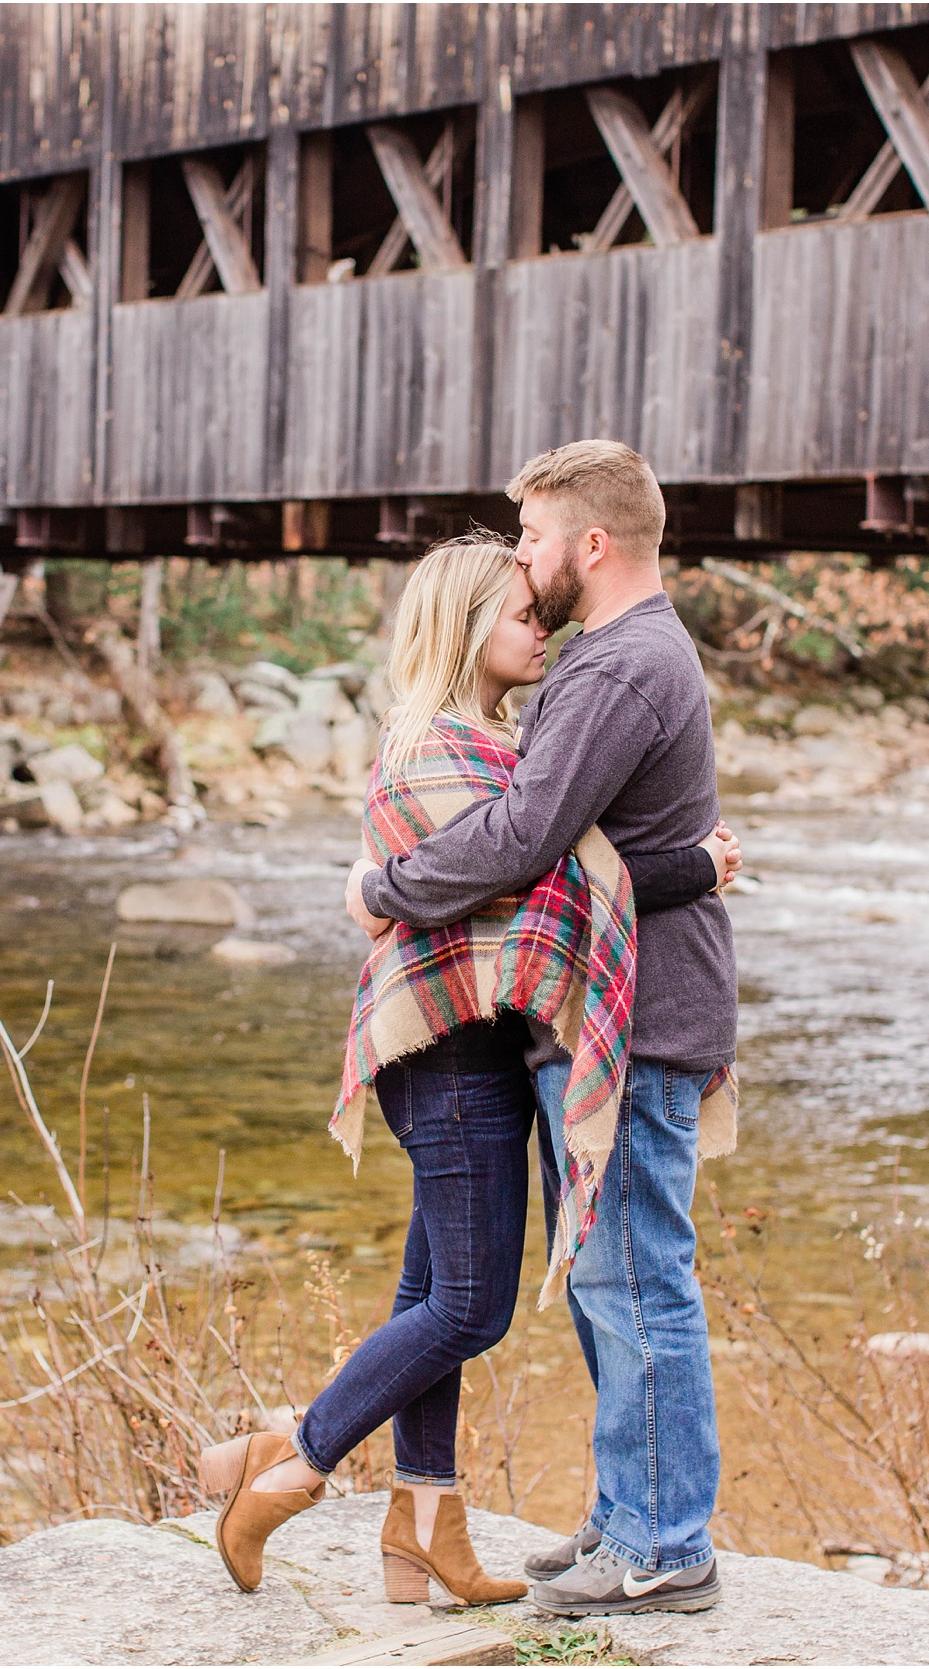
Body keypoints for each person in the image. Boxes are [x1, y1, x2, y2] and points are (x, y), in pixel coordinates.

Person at [197, 535, 739, 1605]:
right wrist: (693, 864)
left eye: (540, 614)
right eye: (522, 615)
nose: (542, 627)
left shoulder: (499, 737)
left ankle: (424, 1528)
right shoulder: (436, 744)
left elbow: (540, 859)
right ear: (462, 627)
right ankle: (292, 1464)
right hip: (446, 1059)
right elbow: (534, 884)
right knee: (472, 1309)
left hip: (482, 1050)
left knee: (427, 1290)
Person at [343, 440, 738, 1618]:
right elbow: (577, 856)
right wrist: (689, 866)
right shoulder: (615, 659)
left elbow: (524, 843)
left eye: (531, 540)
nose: (522, 560)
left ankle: (666, 1545)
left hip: (641, 1017)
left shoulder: (616, 669)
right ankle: (628, 1518)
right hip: (616, 1009)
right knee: (601, 1278)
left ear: (592, 544)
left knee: (632, 1274)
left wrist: (384, 889)